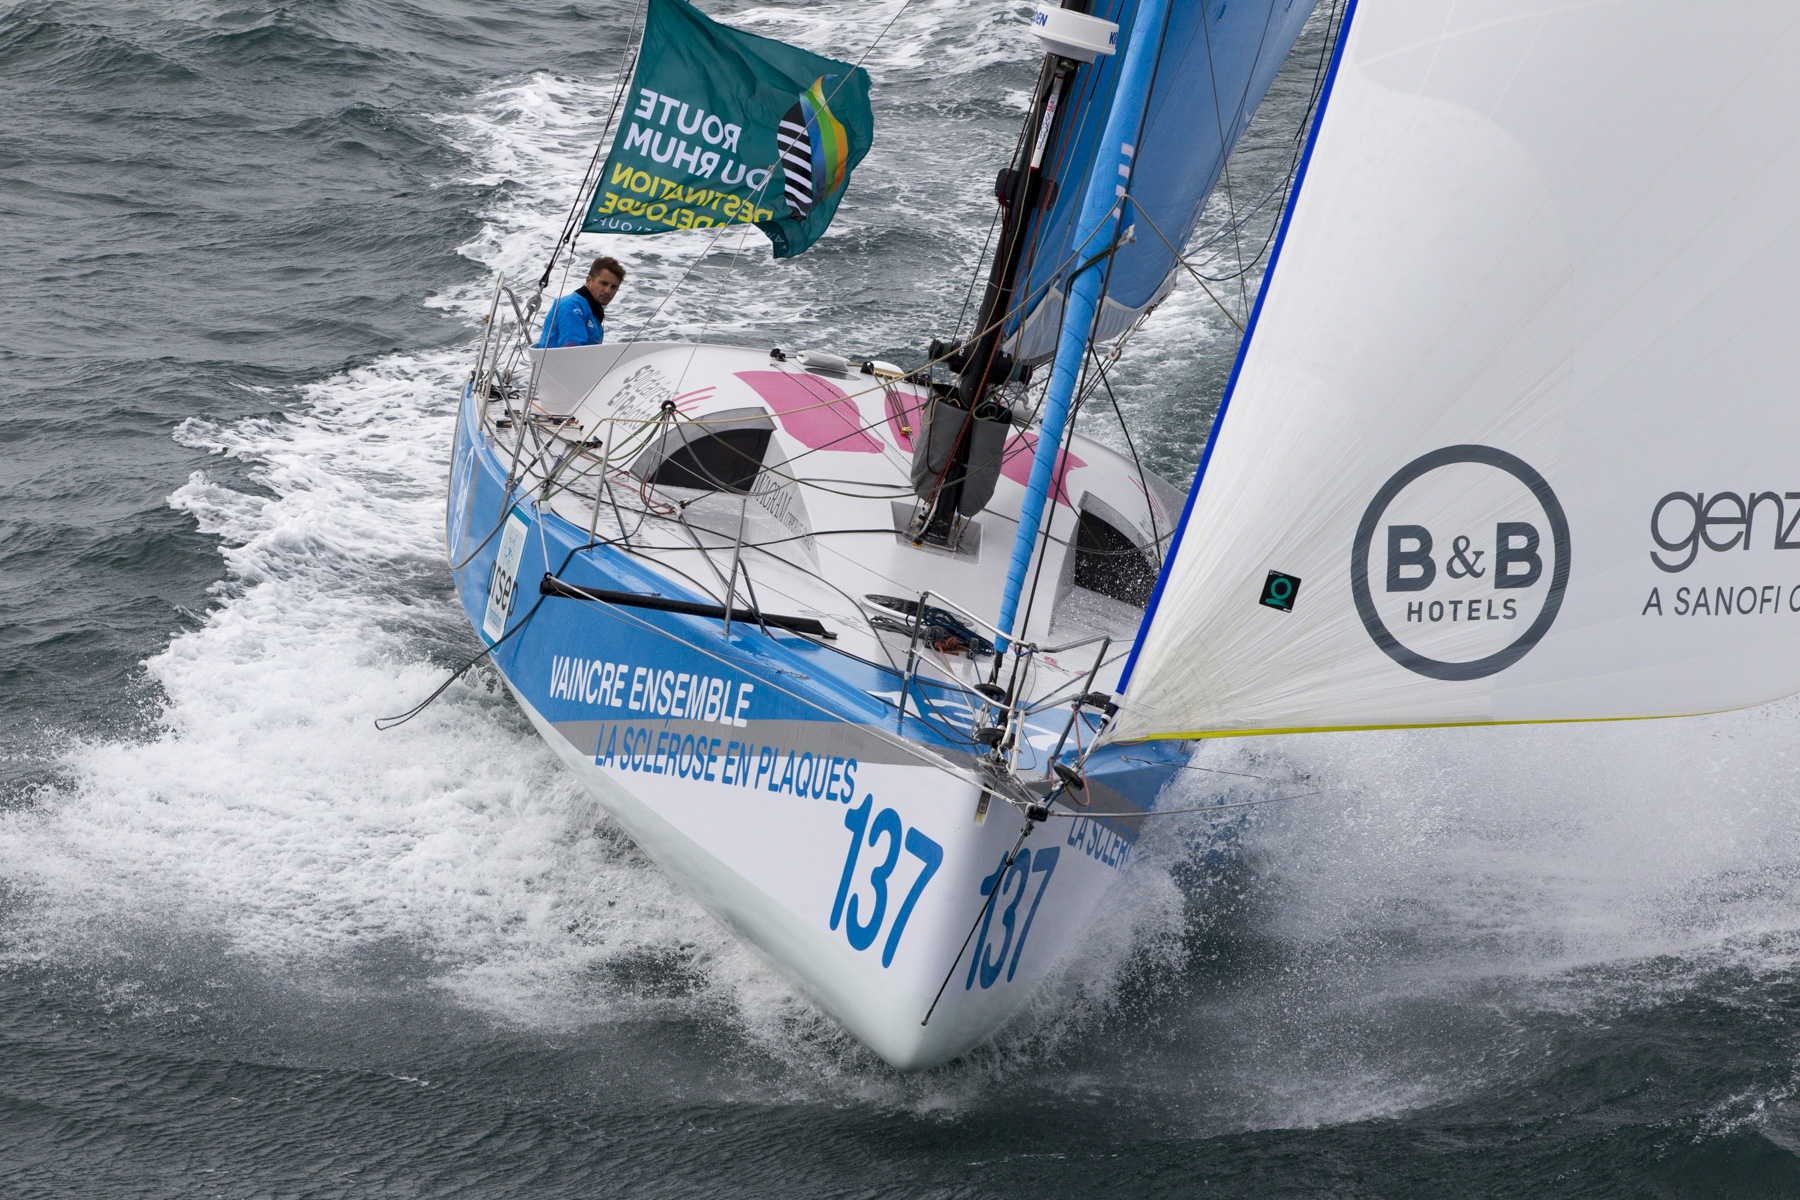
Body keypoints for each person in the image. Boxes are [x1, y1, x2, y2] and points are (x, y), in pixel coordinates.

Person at [538, 256, 625, 348]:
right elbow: (572, 353)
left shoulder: (593, 309)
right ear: (589, 281)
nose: (608, 291)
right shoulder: (571, 306)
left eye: (614, 287)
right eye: (603, 283)